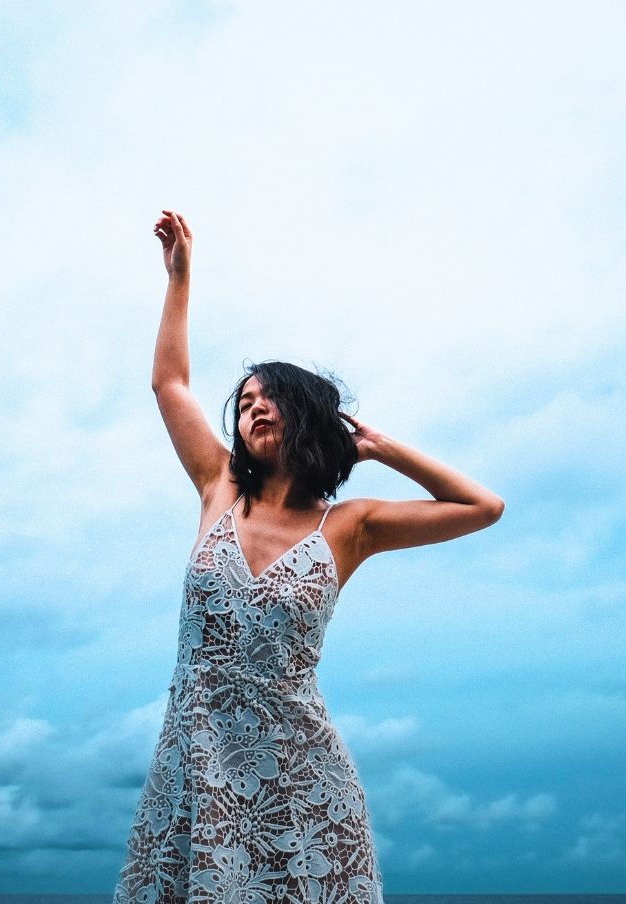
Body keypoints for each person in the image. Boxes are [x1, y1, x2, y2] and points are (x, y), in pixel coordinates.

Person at [112, 210, 504, 903]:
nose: (252, 409)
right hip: (196, 767)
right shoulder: (219, 487)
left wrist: (385, 449)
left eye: (271, 399)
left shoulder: (350, 527)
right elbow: (169, 384)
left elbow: (482, 507)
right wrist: (181, 279)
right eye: (245, 403)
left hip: (302, 778)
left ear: (306, 417)